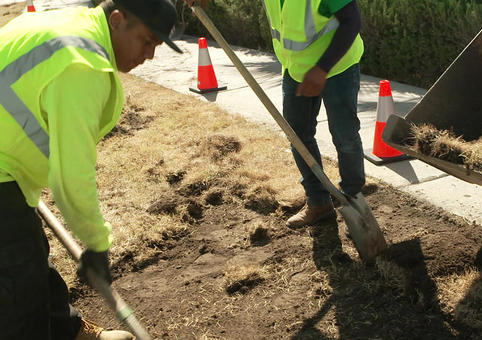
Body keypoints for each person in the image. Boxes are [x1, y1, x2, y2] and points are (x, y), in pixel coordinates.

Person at [0, 0, 182, 339]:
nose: (150, 56)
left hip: (8, 169)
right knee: (18, 289)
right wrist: (98, 244)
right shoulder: (83, 64)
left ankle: (70, 331)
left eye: (156, 45)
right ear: (117, 20)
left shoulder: (77, 25)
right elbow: (71, 176)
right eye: (146, 41)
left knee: (30, 254)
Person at [186, 0, 365, 228]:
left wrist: (322, 69)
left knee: (345, 135)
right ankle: (318, 202)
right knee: (298, 136)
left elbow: (352, 21)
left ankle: (354, 204)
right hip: (295, 68)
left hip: (338, 67)